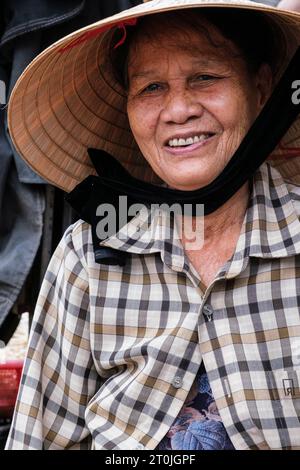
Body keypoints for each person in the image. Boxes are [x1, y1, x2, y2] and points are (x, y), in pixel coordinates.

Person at [4, 0, 300, 450]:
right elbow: (40, 436)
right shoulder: (90, 251)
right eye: (151, 87)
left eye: (205, 78)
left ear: (260, 89)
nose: (178, 110)